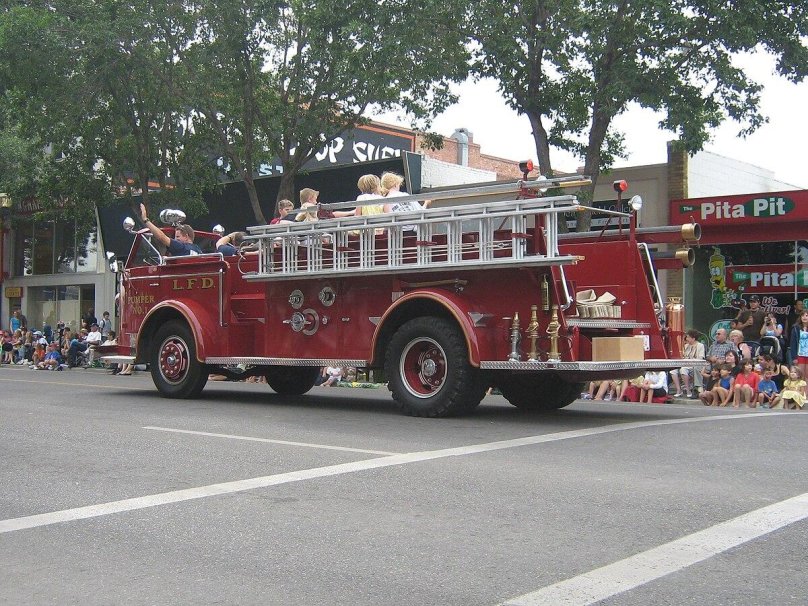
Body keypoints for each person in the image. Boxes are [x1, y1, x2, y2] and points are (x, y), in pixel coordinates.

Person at [669, 329, 706, 398]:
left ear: (693, 338)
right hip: (684, 364)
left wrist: (689, 361)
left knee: (683, 370)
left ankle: (688, 390)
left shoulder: (700, 346)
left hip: (694, 365)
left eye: (688, 337)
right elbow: (683, 356)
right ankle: (679, 390)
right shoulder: (686, 346)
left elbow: (700, 358)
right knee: (673, 370)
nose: (687, 338)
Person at [788, 309, 808, 379]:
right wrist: (794, 357)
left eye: (806, 315)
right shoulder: (796, 328)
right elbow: (793, 344)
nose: (804, 317)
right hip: (800, 355)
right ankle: (801, 390)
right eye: (802, 315)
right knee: (801, 375)